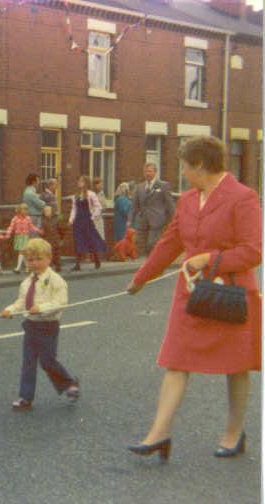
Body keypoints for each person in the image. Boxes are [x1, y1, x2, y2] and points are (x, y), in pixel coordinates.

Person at [126, 136, 262, 461]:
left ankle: (233, 434)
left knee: (237, 366)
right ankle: (159, 434)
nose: (182, 172)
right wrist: (141, 278)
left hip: (230, 294)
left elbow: (253, 250)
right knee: (176, 360)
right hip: (191, 294)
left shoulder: (243, 198)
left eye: (184, 165)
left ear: (199, 165)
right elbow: (170, 242)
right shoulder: (187, 200)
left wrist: (209, 259)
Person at [0, 238, 80, 411]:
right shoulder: (27, 282)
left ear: (49, 258)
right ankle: (25, 398)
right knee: (28, 362)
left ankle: (69, 384)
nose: (34, 263)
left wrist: (41, 308)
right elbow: (22, 301)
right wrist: (10, 310)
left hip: (48, 327)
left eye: (38, 259)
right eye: (30, 260)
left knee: (47, 361)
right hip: (30, 326)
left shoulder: (56, 280)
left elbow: (60, 302)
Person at [129, 162, 175, 256]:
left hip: (157, 220)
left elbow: (170, 204)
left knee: (152, 244)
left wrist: (174, 220)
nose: (147, 173)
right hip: (142, 221)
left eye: (150, 171)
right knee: (139, 244)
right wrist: (130, 220)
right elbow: (134, 206)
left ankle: (153, 262)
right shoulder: (139, 187)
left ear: (155, 172)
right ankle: (146, 265)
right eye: (145, 171)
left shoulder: (163, 185)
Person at [68, 175, 106, 271]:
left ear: (86, 183)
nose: (79, 183)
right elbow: (74, 209)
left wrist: (93, 217)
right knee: (78, 241)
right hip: (78, 221)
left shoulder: (91, 194)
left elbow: (98, 207)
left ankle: (96, 259)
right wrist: (71, 220)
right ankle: (77, 264)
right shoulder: (75, 195)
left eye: (81, 181)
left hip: (87, 220)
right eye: (79, 181)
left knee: (90, 240)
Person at [6, 204, 43, 274]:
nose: (26, 211)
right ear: (20, 210)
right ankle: (27, 267)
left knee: (22, 251)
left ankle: (18, 268)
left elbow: (31, 226)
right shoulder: (15, 218)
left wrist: (38, 230)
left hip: (25, 236)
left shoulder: (28, 218)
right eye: (24, 209)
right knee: (23, 252)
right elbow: (11, 227)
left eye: (26, 209)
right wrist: (8, 234)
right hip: (18, 236)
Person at [40, 206, 62, 272]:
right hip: (47, 239)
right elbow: (41, 231)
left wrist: (61, 239)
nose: (46, 212)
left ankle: (58, 267)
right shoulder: (43, 220)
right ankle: (49, 267)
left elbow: (61, 229)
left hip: (55, 238)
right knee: (48, 253)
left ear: (51, 211)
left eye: (48, 211)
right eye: (45, 211)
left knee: (57, 253)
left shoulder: (56, 219)